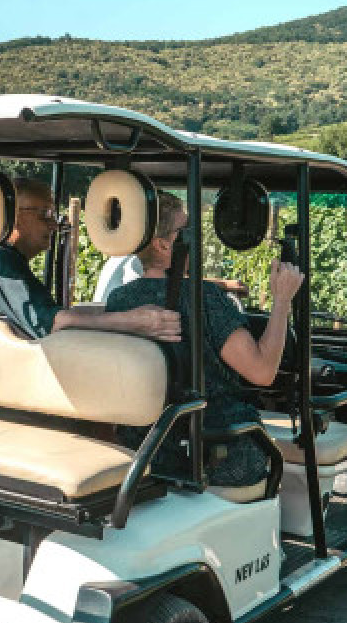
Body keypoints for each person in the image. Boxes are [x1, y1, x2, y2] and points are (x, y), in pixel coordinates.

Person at [105, 191, 304, 488]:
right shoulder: (205, 298)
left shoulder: (119, 300)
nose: (195, 238)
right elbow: (262, 372)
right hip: (219, 452)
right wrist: (282, 300)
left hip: (148, 451)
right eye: (185, 231)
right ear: (162, 244)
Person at [0, 177, 181, 343]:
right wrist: (134, 321)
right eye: (45, 214)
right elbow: (51, 322)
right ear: (13, 217)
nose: (54, 224)